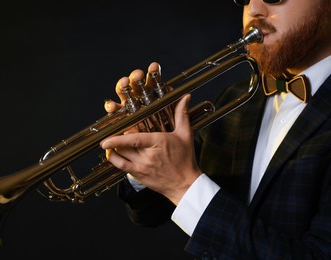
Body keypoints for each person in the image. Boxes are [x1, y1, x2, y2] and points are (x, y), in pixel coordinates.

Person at [101, 0, 331, 259]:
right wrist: (147, 153)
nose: (253, 9)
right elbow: (150, 214)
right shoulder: (238, 98)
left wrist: (182, 184)